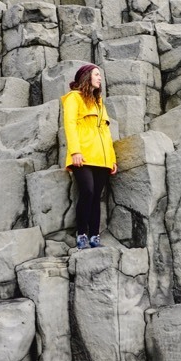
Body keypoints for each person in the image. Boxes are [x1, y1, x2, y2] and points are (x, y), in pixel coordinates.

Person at [61, 64, 117, 250]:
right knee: (88, 191)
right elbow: (70, 125)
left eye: (100, 74)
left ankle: (95, 236)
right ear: (86, 77)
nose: (100, 78)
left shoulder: (99, 102)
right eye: (96, 74)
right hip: (82, 155)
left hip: (102, 157)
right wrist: (75, 151)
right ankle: (82, 234)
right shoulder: (73, 98)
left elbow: (106, 132)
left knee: (96, 197)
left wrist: (112, 158)